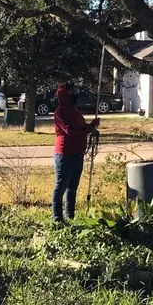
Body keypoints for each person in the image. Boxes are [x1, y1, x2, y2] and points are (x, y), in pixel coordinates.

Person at [52, 83, 99, 223]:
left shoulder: (76, 112)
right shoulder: (59, 113)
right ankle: (57, 218)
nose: (74, 94)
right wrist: (88, 130)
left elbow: (82, 128)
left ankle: (70, 215)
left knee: (73, 187)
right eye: (71, 91)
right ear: (64, 95)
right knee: (61, 186)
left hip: (78, 153)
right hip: (64, 154)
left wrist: (92, 125)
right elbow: (69, 131)